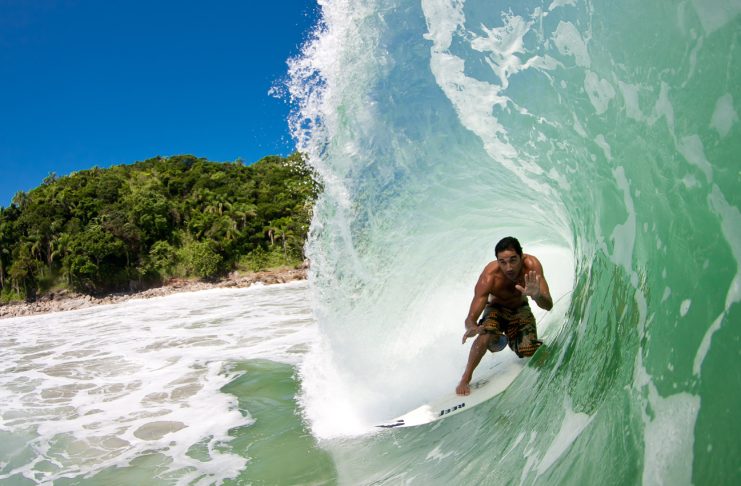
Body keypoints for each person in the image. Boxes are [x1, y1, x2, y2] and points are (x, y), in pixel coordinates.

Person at [456, 236, 553, 395]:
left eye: (513, 260)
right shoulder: (490, 277)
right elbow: (470, 318)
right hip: (496, 309)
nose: (508, 267)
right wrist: (473, 327)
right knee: (486, 332)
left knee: (527, 351)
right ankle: (465, 378)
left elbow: (548, 305)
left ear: (522, 256)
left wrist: (536, 296)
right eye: (502, 262)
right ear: (497, 261)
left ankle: (511, 339)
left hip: (520, 309)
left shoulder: (532, 267)